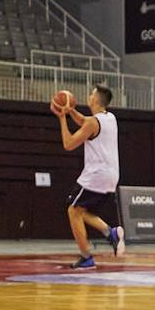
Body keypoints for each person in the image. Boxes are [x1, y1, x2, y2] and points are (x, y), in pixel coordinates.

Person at [52, 84, 123, 269]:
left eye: (92, 94)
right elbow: (85, 120)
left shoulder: (93, 123)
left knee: (73, 211)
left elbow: (68, 144)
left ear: (95, 100)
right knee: (81, 211)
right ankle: (111, 233)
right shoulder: (110, 118)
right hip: (111, 177)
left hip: (96, 175)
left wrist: (62, 118)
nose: (89, 96)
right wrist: (71, 110)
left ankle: (86, 257)